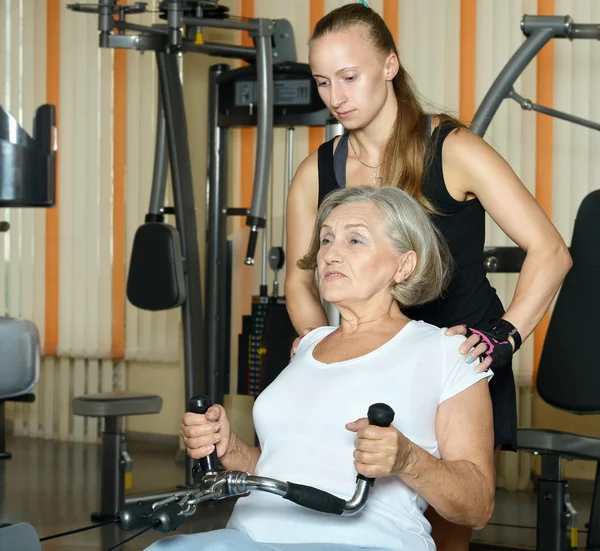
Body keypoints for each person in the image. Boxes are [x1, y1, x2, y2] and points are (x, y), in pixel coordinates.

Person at [284, 4, 572, 549]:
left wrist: (501, 339)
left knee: (442, 536)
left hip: (453, 367)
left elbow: (551, 250)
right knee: (347, 523)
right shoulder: (314, 172)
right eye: (322, 81)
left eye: (350, 76)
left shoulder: (452, 149)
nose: (335, 96)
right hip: (367, 368)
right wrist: (321, 340)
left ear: (390, 64)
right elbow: (300, 280)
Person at [146, 186, 495, 551]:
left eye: (355, 240)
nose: (330, 254)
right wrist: (229, 447)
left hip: (363, 541)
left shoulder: (446, 351)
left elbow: (478, 507)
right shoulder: (309, 344)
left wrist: (409, 460)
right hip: (247, 537)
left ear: (404, 265)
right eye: (326, 239)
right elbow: (284, 470)